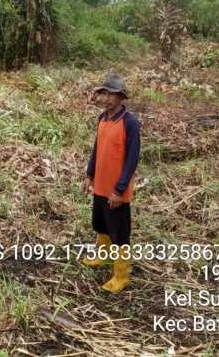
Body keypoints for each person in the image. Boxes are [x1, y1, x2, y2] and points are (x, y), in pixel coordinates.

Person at [81, 73, 141, 294]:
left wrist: (119, 189)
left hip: (117, 190)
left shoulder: (130, 123)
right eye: (104, 93)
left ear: (121, 97)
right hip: (101, 186)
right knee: (101, 224)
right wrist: (89, 175)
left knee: (119, 232)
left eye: (112, 95)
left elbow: (131, 160)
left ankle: (121, 275)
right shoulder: (103, 118)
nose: (106, 99)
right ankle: (103, 257)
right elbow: (97, 149)